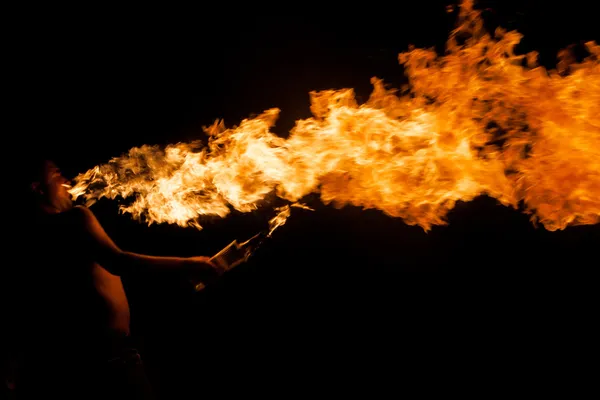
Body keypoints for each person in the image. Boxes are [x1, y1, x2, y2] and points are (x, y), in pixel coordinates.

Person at [11, 158, 224, 399]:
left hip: (68, 363)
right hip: (108, 359)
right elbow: (118, 261)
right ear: (37, 187)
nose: (66, 181)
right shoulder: (73, 219)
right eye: (56, 174)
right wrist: (188, 264)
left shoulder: (25, 244)